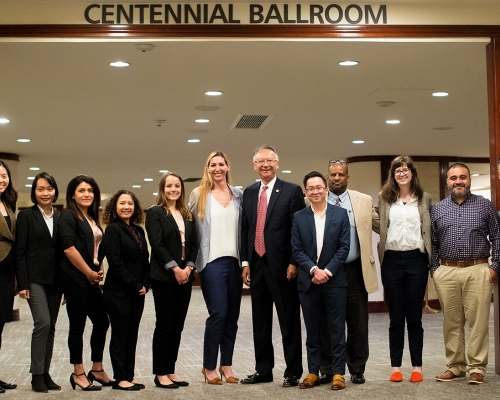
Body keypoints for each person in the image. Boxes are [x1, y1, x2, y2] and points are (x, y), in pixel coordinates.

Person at [240, 145, 305, 387]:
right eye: (260, 161)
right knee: (260, 321)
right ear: (254, 165)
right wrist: (245, 262)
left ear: (277, 163)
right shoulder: (249, 192)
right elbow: (245, 229)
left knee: (288, 320)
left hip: (283, 267)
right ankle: (263, 370)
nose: (265, 165)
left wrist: (293, 261)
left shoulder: (291, 191)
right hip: (256, 266)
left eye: (270, 160)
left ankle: (293, 371)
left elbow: (298, 231)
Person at [431, 163, 500, 385]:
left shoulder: (485, 206)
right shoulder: (438, 209)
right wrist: (435, 270)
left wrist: (495, 265)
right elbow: (431, 242)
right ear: (447, 181)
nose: (458, 181)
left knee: (478, 322)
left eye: (462, 177)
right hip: (447, 271)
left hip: (478, 269)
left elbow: (498, 237)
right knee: (451, 322)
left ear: (469, 179)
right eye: (453, 178)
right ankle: (455, 366)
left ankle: (477, 368)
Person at [319, 160, 379, 385]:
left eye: (341, 174)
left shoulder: (363, 200)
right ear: (327, 176)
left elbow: (380, 225)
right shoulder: (314, 198)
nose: (336, 178)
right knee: (327, 323)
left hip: (355, 270)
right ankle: (328, 368)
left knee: (357, 323)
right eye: (332, 174)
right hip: (326, 272)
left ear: (348, 177)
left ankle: (357, 368)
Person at [372, 155, 431, 383]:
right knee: (396, 317)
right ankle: (395, 367)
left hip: (417, 260)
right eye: (398, 170)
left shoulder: (424, 199)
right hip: (392, 261)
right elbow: (379, 225)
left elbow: (428, 229)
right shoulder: (384, 198)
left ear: (412, 173)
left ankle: (417, 367)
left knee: (414, 317)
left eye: (406, 169)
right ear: (393, 175)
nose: (402, 173)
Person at [292, 171, 350, 390]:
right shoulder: (299, 217)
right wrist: (314, 270)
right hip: (308, 282)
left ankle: (337, 373)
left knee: (336, 329)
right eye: (311, 188)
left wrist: (327, 271)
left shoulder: (340, 214)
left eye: (319, 187)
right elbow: (296, 250)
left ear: (326, 190)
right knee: (312, 330)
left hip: (335, 281)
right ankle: (313, 372)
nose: (315, 191)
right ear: (306, 192)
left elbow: (344, 247)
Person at [189, 152, 243, 385]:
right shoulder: (199, 194)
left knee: (232, 317)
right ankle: (209, 367)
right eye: (213, 165)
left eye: (221, 164)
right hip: (210, 262)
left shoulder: (238, 194)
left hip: (235, 262)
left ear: (228, 166)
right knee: (218, 313)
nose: (217, 168)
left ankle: (226, 366)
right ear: (207, 168)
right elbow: (191, 229)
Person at [58, 174, 112, 391]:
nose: (86, 194)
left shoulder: (91, 217)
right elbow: (69, 248)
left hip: (89, 279)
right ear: (73, 194)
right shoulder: (68, 216)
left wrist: (97, 269)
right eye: (81, 190)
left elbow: (95, 249)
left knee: (101, 321)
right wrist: (89, 272)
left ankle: (96, 369)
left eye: (90, 191)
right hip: (75, 279)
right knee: (77, 327)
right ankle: (78, 373)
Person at [146, 172, 198, 389]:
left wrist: (188, 267)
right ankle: (160, 373)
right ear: (162, 189)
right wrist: (175, 268)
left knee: (178, 325)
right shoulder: (155, 212)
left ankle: (170, 369)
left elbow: (194, 244)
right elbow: (157, 245)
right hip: (164, 277)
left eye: (177, 186)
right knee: (165, 324)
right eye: (169, 186)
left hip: (185, 276)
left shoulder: (187, 214)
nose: (173, 189)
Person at [15, 172, 61, 392]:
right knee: (42, 323)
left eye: (49, 188)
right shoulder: (27, 216)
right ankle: (36, 375)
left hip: (56, 281)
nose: (45, 193)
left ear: (55, 191)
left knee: (51, 326)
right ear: (34, 192)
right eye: (41, 189)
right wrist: (22, 283)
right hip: (34, 279)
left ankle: (45, 373)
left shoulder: (61, 217)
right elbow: (20, 252)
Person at [102, 190, 150, 391]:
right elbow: (115, 263)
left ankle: (128, 375)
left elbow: (145, 260)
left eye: (130, 203)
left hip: (138, 291)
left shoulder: (139, 230)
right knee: (120, 334)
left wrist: (146, 283)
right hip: (118, 291)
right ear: (115, 207)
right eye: (122, 203)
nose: (126, 207)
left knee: (132, 333)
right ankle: (120, 377)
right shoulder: (113, 230)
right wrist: (135, 284)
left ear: (135, 207)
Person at [0, 161, 18, 393]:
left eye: (4, 175)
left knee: (0, 323)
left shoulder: (7, 202)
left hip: (5, 271)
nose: (1, 179)